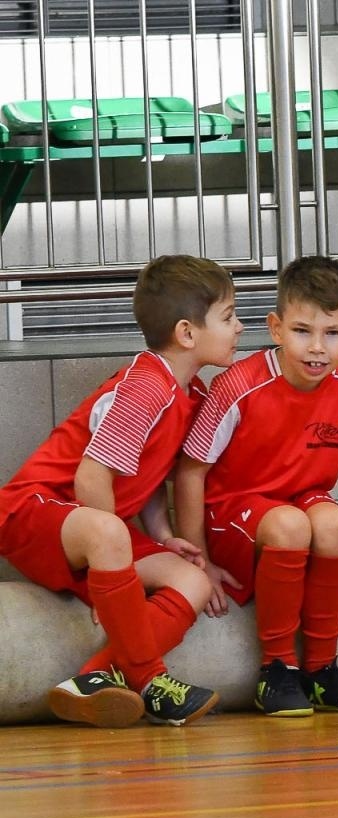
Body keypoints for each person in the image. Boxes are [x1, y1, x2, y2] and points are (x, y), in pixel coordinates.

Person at [0, 255, 240, 727]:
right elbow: (91, 478)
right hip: (31, 512)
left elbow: (143, 477)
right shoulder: (146, 386)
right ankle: (151, 680)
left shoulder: (187, 394)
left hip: (88, 528)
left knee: (192, 578)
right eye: (229, 317)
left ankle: (92, 679)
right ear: (187, 334)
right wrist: (114, 574)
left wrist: (163, 534)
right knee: (109, 534)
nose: (239, 328)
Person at [176, 255, 338, 718]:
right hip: (234, 513)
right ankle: (277, 668)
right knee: (289, 526)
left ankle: (322, 670)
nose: (317, 348)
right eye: (302, 331)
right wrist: (198, 559)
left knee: (335, 526)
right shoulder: (237, 385)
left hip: (300, 504)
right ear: (276, 329)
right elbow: (190, 471)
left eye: (332, 334)